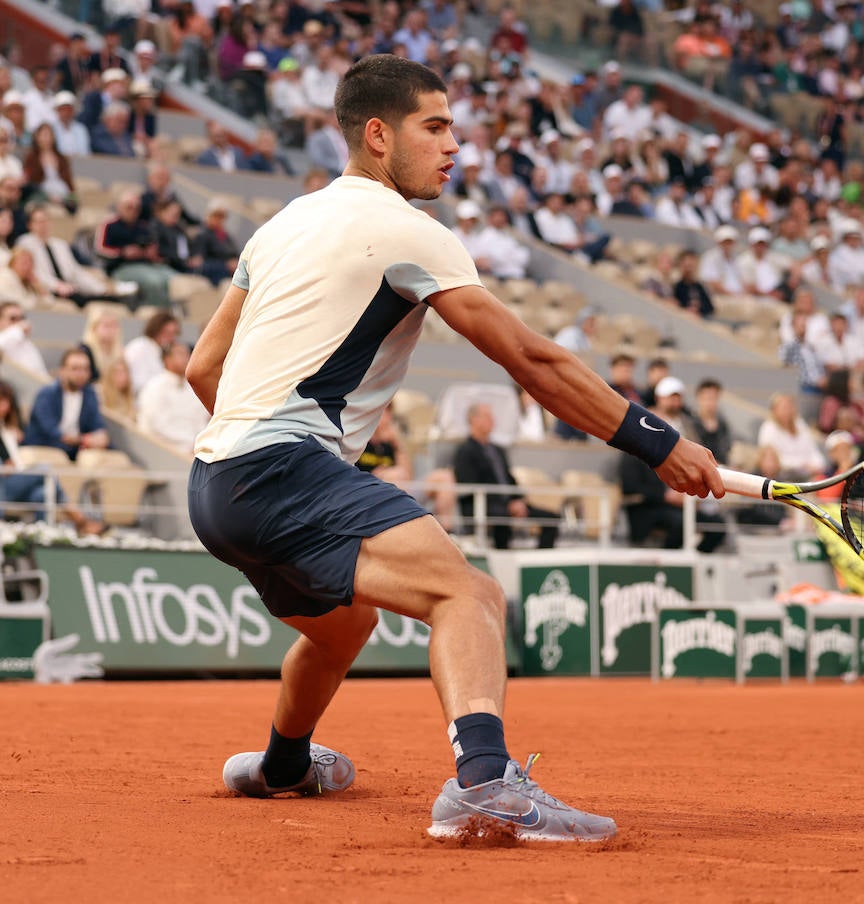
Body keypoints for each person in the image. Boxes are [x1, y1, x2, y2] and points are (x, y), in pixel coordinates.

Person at [184, 56, 719, 842]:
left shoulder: (283, 224)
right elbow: (528, 358)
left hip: (213, 480)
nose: (453, 146)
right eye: (433, 127)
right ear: (377, 135)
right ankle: (485, 786)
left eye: (454, 130)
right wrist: (655, 440)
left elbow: (202, 367)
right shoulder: (408, 231)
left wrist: (260, 456)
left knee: (344, 628)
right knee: (467, 595)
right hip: (275, 468)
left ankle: (284, 764)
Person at [0, 379, 102, 534]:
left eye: (6, 401)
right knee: (45, 469)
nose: (4, 406)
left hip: (13, 482)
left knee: (43, 493)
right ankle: (78, 518)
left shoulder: (9, 430)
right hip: (3, 485)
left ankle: (43, 535)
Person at [452, 402, 559, 550]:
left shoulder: (498, 450)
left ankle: (541, 560)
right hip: (484, 505)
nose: (492, 420)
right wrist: (507, 505)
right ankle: (503, 557)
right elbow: (469, 485)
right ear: (473, 420)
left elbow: (509, 479)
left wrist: (518, 500)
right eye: (487, 416)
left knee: (551, 518)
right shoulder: (465, 451)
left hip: (508, 503)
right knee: (501, 516)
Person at [24, 347, 110, 460]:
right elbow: (52, 431)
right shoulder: (47, 394)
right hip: (48, 446)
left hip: (77, 448)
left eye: (85, 369)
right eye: (75, 369)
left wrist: (100, 437)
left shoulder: (90, 394)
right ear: (62, 371)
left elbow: (97, 425)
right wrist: (84, 440)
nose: (81, 374)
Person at [136, 341, 207, 454]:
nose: (186, 358)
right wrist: (187, 444)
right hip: (161, 450)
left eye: (187, 354)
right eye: (180, 354)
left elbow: (201, 419)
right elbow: (157, 424)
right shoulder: (154, 387)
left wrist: (198, 444)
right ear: (166, 359)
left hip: (195, 449)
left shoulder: (194, 388)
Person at [125, 311, 180, 394]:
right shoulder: (139, 347)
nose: (171, 339)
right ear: (155, 329)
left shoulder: (161, 351)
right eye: (167, 333)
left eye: (174, 334)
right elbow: (139, 384)